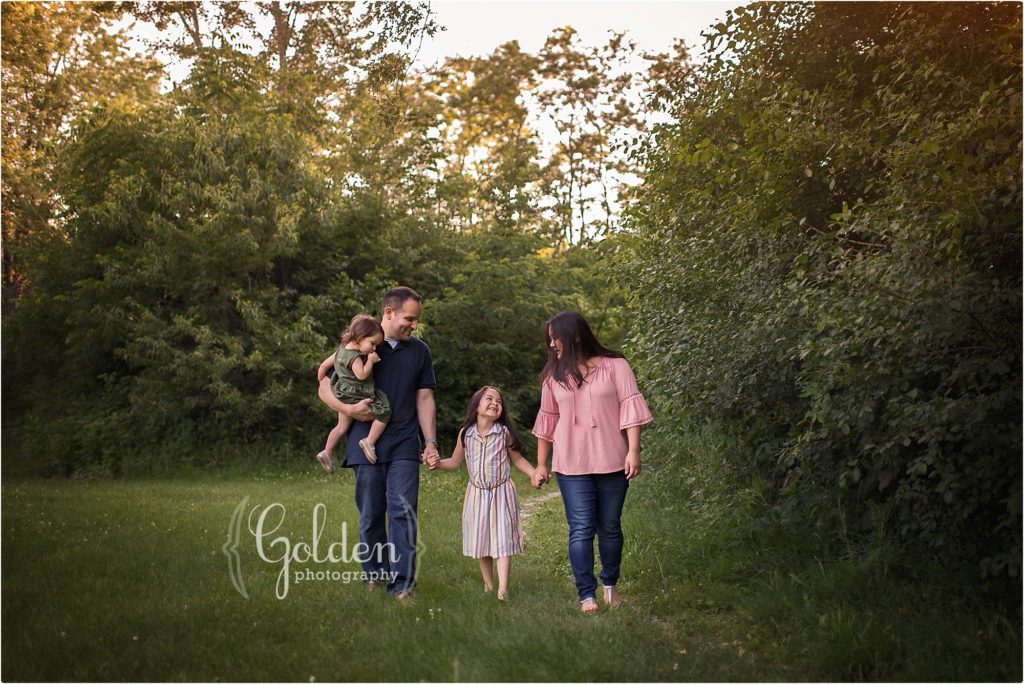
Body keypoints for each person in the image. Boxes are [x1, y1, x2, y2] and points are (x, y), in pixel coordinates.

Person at [317, 286, 438, 600]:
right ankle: (374, 575)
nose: (414, 325)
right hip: (363, 441)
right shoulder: (361, 345)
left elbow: (424, 397)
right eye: (409, 319)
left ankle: (402, 586)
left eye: (416, 321)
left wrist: (431, 442)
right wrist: (348, 409)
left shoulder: (419, 351)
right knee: (371, 512)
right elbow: (323, 386)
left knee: (403, 510)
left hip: (404, 442)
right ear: (389, 312)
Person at [530, 310, 653, 614]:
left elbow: (630, 407)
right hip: (571, 465)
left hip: (612, 461)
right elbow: (547, 422)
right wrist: (542, 464)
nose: (551, 345)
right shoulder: (553, 377)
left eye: (554, 338)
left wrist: (633, 450)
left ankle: (610, 586)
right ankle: (587, 595)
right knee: (581, 528)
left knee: (609, 527)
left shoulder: (616, 366)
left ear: (573, 335)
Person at [427, 386, 536, 601]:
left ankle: (502, 589)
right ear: (477, 406)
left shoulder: (504, 433)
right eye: (489, 399)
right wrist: (438, 463)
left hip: (501, 492)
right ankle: (488, 584)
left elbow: (518, 459)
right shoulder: (466, 434)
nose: (495, 403)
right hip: (476, 494)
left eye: (499, 401)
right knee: (482, 540)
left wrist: (533, 473)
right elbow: (455, 461)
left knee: (503, 540)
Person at [314, 314, 392, 473]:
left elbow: (323, 366)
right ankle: (369, 441)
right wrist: (370, 361)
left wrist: (321, 378)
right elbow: (361, 375)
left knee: (341, 427)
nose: (374, 348)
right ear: (360, 338)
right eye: (372, 343)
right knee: (384, 411)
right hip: (357, 393)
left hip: (342, 393)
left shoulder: (340, 351)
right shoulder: (355, 357)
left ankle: (327, 451)